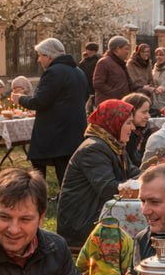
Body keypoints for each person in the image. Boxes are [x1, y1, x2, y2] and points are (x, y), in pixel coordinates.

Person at [57, 99, 140, 250]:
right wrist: (139, 183)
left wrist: (155, 175)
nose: (133, 128)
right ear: (114, 122)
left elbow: (134, 173)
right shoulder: (94, 149)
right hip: (82, 224)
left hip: (99, 214)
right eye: (128, 123)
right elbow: (108, 188)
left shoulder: (114, 144)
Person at [15, 38, 88, 185]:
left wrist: (20, 99)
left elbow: (39, 102)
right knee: (66, 167)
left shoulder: (53, 72)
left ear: (48, 56)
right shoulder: (78, 71)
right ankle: (65, 197)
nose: (38, 60)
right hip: (75, 127)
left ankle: (38, 193)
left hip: (55, 129)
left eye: (40, 55)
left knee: (39, 162)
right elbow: (85, 96)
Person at [93, 35, 131, 105]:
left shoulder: (120, 63)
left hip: (121, 103)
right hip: (108, 105)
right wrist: (115, 94)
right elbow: (98, 83)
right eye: (126, 49)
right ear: (117, 49)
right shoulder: (104, 62)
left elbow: (128, 83)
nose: (128, 52)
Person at [122, 92, 154, 169]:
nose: (148, 116)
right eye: (144, 112)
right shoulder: (126, 135)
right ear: (131, 112)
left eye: (148, 112)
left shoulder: (144, 131)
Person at [78, 42, 102, 108]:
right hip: (86, 87)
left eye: (92, 51)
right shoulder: (83, 62)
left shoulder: (98, 60)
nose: (89, 52)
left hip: (94, 88)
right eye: (89, 50)